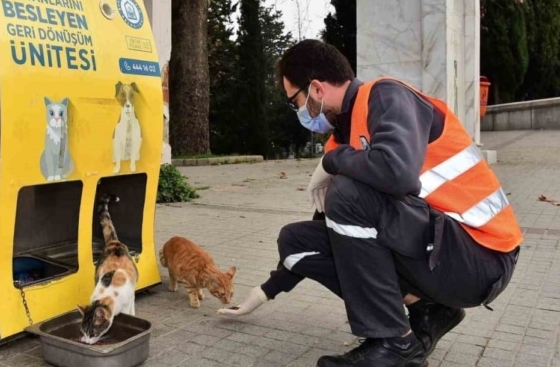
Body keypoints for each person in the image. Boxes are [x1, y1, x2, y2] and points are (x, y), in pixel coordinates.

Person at [217, 39, 522, 367]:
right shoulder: (341, 135)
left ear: (316, 89)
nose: (299, 112)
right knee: (296, 239)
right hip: (438, 248)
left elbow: (398, 174)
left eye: (295, 101)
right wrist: (264, 292)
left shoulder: (388, 96)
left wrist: (333, 163)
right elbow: (334, 230)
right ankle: (429, 311)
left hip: (482, 257)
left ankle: (394, 343)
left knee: (346, 193)